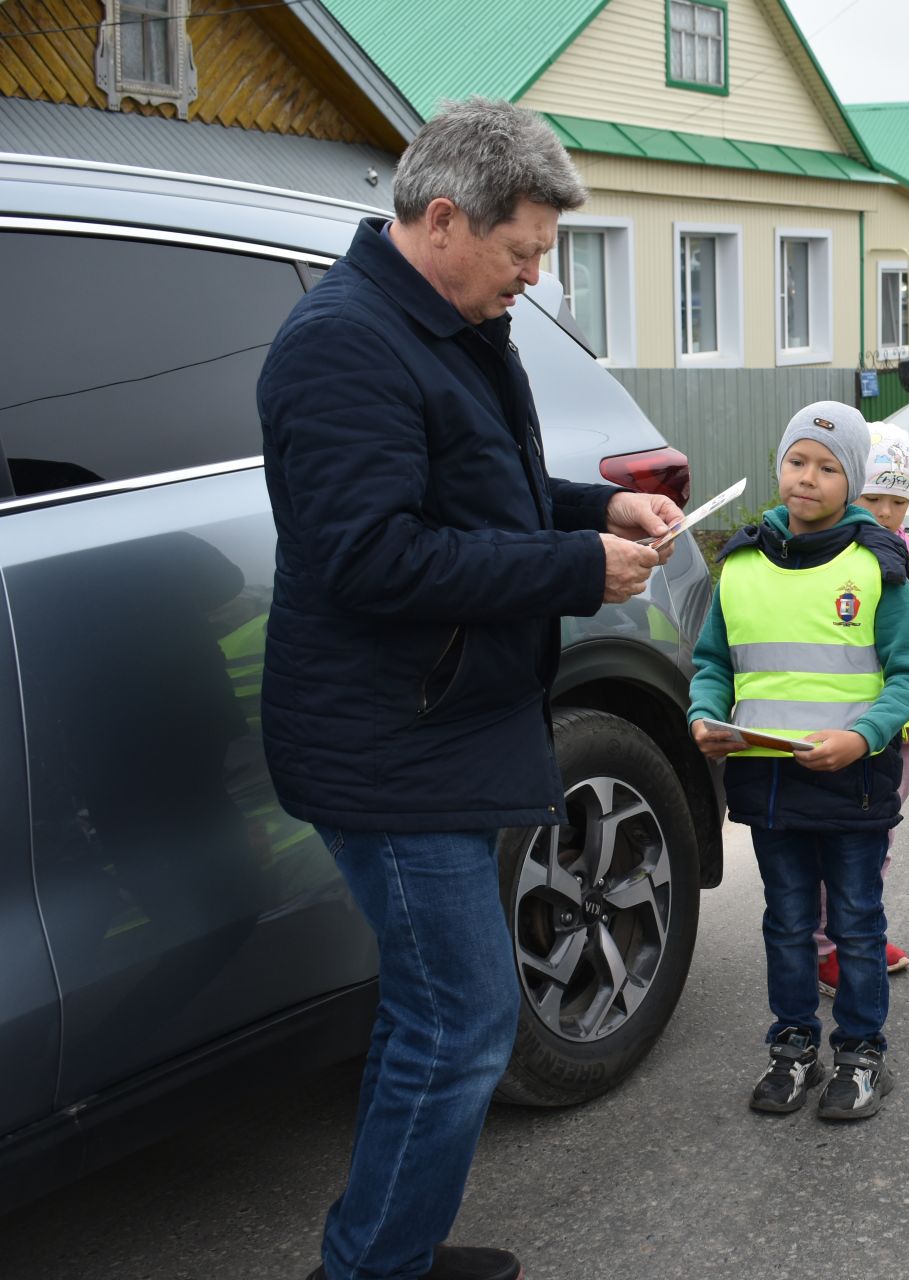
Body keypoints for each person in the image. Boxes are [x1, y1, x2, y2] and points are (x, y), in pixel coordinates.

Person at [259, 99, 681, 1280]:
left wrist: (597, 508)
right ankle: (372, 1263)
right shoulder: (345, 342)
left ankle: (395, 1245)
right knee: (461, 1020)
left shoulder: (443, 325)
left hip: (439, 722)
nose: (535, 275)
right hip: (385, 744)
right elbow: (371, 555)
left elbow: (478, 494)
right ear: (445, 219)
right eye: (524, 251)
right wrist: (575, 567)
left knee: (440, 1011)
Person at [688, 403, 909, 1121]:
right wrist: (704, 716)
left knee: (856, 923)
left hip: (853, 786)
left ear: (852, 481)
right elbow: (713, 665)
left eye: (828, 468)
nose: (808, 478)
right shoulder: (739, 561)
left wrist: (862, 738)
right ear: (779, 466)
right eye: (798, 461)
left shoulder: (877, 564)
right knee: (787, 923)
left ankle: (860, 1054)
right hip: (767, 789)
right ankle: (793, 1047)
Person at [813, 424, 909, 994]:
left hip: (906, 724)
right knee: (834, 834)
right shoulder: (835, 555)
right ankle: (825, 945)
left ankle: (859, 933)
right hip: (846, 720)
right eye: (873, 498)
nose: (886, 512)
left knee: (880, 835)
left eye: (898, 500)